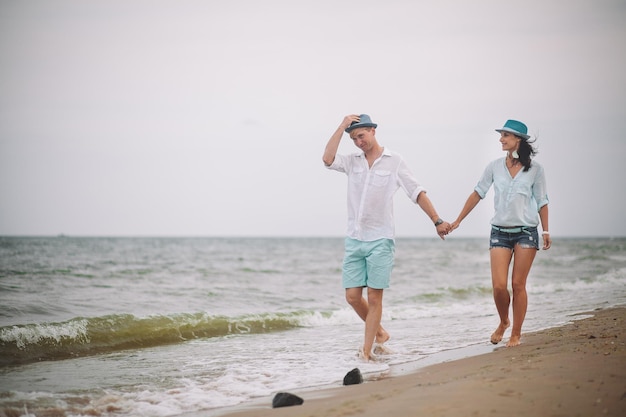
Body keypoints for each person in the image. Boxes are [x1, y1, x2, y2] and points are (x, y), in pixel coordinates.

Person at [323, 114, 450, 361]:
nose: (358, 142)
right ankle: (380, 334)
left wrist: (437, 220)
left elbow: (417, 192)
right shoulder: (352, 162)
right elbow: (327, 159)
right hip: (354, 238)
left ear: (372, 130)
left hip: (381, 238)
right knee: (351, 297)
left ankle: (366, 351)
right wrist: (341, 126)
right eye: (353, 139)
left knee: (374, 297)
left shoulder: (395, 161)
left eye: (361, 136)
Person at [450, 119, 551, 347]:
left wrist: (546, 230)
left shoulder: (536, 170)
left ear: (518, 140)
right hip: (499, 232)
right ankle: (504, 321)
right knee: (498, 286)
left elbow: (542, 201)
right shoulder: (494, 166)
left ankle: (516, 333)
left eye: (505, 135)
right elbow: (478, 193)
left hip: (526, 232)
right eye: (501, 135)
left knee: (518, 285)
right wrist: (458, 220)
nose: (501, 139)